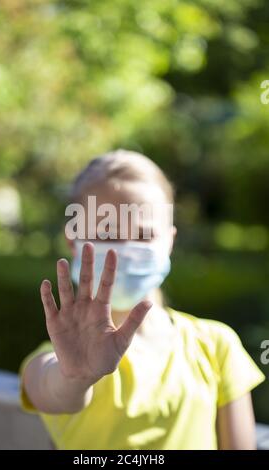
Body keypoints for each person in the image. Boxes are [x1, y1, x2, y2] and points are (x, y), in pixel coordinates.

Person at [19, 150, 265, 450]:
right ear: (74, 242)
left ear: (170, 240)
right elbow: (52, 388)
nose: (124, 248)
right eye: (106, 234)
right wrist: (75, 377)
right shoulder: (64, 356)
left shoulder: (217, 346)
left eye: (143, 234)